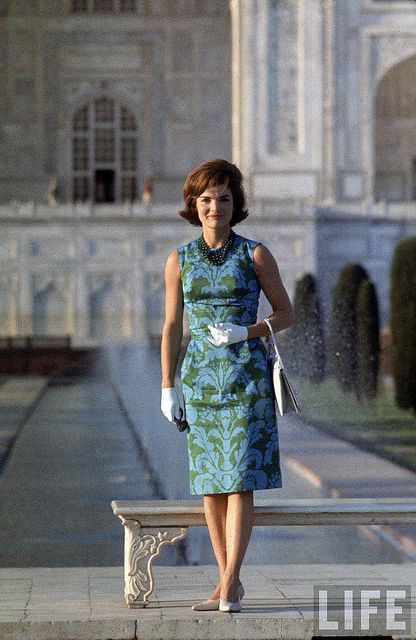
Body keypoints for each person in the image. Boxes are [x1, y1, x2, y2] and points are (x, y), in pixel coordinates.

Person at [160, 159, 294, 613]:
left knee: (239, 480)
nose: (214, 207)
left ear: (236, 206)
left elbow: (286, 314)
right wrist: (167, 384)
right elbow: (172, 326)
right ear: (193, 206)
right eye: (206, 200)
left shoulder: (254, 254)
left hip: (246, 378)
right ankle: (226, 584)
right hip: (199, 380)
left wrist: (247, 332)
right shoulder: (178, 260)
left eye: (223, 199)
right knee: (211, 485)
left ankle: (230, 582)